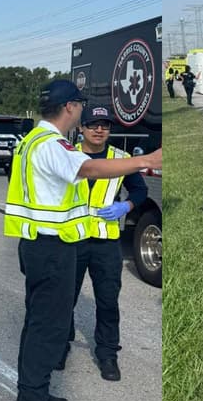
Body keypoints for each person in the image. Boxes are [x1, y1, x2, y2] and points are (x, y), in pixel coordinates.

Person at [4, 80, 162, 401]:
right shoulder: (53, 144)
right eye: (82, 109)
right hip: (51, 249)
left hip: (41, 245)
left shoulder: (32, 140)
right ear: (71, 108)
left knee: (41, 324)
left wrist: (124, 202)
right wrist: (148, 160)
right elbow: (88, 170)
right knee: (48, 329)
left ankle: (35, 394)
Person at [58, 105, 148, 382]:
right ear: (81, 128)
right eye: (93, 124)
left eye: (105, 125)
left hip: (106, 242)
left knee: (108, 300)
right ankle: (60, 346)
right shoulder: (66, 155)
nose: (99, 130)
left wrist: (127, 206)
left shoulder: (120, 158)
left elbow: (140, 189)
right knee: (64, 298)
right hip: (72, 239)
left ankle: (107, 354)